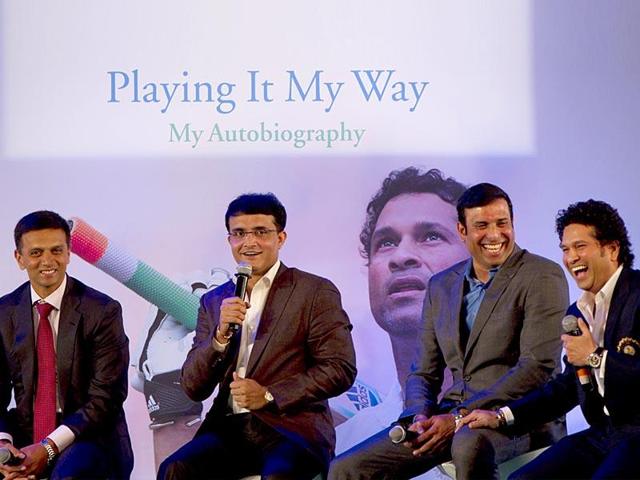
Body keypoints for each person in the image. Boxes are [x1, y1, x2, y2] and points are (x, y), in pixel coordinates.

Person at [329, 183, 569, 480]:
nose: (494, 234)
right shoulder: (442, 284)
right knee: (345, 469)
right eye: (481, 225)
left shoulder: (541, 275)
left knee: (468, 443)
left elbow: (537, 367)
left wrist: (456, 418)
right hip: (448, 415)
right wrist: (418, 416)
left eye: (502, 223)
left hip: (520, 418)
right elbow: (423, 371)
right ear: (463, 230)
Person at [157, 193, 357, 479]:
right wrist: (219, 338)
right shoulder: (215, 301)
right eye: (239, 234)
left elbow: (340, 369)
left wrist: (268, 394)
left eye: (261, 232)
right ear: (229, 241)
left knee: (278, 475)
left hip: (291, 427)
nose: (249, 243)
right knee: (174, 470)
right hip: (229, 429)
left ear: (281, 238)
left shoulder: (314, 291)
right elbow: (193, 387)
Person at [461, 199, 640, 479]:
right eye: (566, 249)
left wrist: (596, 357)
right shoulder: (576, 313)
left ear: (612, 249)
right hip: (604, 435)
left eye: (581, 247)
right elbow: (566, 388)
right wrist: (501, 416)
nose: (571, 258)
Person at [334, 167, 469, 454]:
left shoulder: (528, 418)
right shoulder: (347, 445)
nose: (401, 256)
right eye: (386, 243)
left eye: (431, 236)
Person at [0, 210, 133, 479]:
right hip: (25, 430)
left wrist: (48, 448)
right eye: (36, 253)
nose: (48, 261)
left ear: (69, 253)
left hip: (89, 435)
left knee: (69, 474)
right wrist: (3, 446)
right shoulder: (3, 312)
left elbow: (106, 399)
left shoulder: (103, 310)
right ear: (19, 258)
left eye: (56, 250)